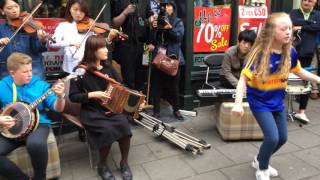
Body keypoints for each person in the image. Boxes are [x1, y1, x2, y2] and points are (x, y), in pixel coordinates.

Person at [232, 13, 320, 180]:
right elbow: (243, 79)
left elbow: (299, 71)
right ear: (271, 32)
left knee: (283, 138)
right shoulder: (258, 54)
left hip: (277, 101)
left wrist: (318, 79)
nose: (289, 32)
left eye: (289, 28)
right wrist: (237, 103)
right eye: (283, 29)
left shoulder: (291, 52)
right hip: (259, 102)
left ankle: (259, 160)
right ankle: (262, 169)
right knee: (272, 137)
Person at [69, 35, 133, 180]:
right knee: (107, 131)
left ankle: (124, 162)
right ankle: (102, 165)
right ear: (93, 51)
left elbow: (121, 84)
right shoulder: (80, 71)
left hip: (111, 108)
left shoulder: (108, 67)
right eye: (102, 47)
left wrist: (123, 95)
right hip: (92, 111)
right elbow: (73, 96)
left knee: (124, 125)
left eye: (106, 46)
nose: (106, 50)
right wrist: (92, 94)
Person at [0, 52, 65, 180]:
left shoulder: (40, 85)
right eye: (25, 72)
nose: (30, 74)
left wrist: (60, 97)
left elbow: (58, 108)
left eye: (30, 70)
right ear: (13, 73)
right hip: (11, 128)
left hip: (38, 124)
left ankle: (40, 177)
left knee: (35, 144)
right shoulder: (2, 86)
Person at [50, 0, 118, 74]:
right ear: (69, 9)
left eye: (82, 11)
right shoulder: (63, 26)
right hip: (70, 68)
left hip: (88, 69)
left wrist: (109, 38)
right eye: (75, 9)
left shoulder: (90, 26)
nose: (78, 13)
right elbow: (51, 43)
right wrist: (70, 43)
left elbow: (98, 44)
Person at [148, 0, 185, 120]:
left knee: (174, 87)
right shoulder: (157, 20)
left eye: (169, 6)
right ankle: (156, 111)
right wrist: (153, 28)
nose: (166, 8)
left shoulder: (177, 21)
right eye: (164, 6)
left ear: (173, 8)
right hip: (159, 58)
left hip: (172, 59)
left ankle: (176, 110)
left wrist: (170, 28)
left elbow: (179, 37)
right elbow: (152, 40)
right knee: (156, 86)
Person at [0, 0, 48, 80]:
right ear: (2, 11)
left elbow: (39, 49)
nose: (14, 10)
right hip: (7, 71)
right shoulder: (1, 28)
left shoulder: (30, 25)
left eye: (16, 6)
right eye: (9, 8)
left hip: (32, 69)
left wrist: (42, 40)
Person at [111, 0, 153, 91]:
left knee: (141, 79)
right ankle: (128, 104)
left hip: (143, 45)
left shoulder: (145, 2)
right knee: (128, 79)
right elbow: (114, 23)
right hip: (126, 44)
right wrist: (125, 13)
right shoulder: (119, 2)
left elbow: (150, 20)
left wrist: (151, 20)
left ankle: (140, 103)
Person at [289, 0, 320, 123]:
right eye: (305, 0)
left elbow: (318, 26)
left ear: (314, 2)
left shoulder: (317, 14)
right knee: (285, 78)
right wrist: (310, 24)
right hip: (292, 51)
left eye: (310, 0)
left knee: (305, 82)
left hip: (307, 51)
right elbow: (291, 24)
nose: (307, 2)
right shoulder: (294, 12)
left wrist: (301, 26)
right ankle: (279, 109)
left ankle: (302, 111)